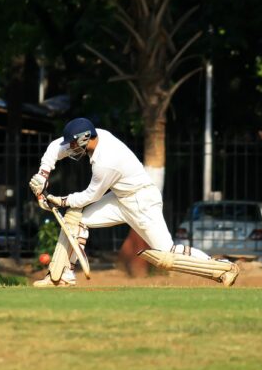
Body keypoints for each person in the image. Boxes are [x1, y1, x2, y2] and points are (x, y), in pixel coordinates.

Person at [28, 117, 240, 287]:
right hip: (121, 198)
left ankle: (222, 267)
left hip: (141, 202)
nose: (71, 149)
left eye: (74, 144)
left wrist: (60, 200)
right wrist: (43, 174)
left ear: (84, 139)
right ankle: (63, 276)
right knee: (77, 220)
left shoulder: (106, 162)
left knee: (167, 253)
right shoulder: (97, 134)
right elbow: (57, 146)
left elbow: (90, 196)